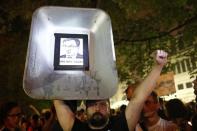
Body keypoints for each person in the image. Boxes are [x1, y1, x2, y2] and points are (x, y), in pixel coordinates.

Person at [54, 50, 168, 131]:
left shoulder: (122, 125)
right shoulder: (75, 128)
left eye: (103, 104)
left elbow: (138, 98)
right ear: (86, 109)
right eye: (92, 104)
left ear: (109, 108)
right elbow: (58, 100)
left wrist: (158, 66)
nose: (97, 108)